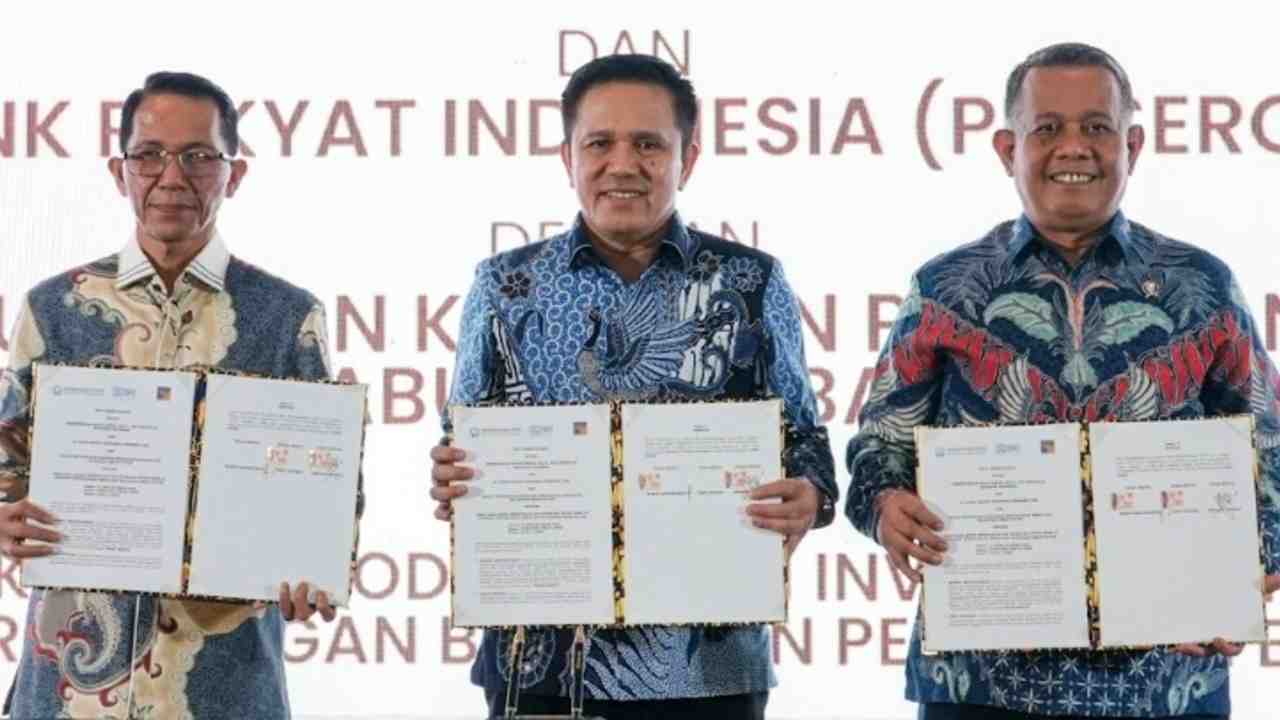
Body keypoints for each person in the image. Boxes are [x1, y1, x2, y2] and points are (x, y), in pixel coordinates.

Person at [845, 42, 1280, 719]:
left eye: (1096, 127)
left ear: (1132, 146)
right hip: (981, 683)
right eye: (1046, 127)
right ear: (1006, 149)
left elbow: (1269, 446)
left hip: (1168, 679)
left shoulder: (1203, 287)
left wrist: (1251, 566)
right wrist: (885, 506)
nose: (1072, 147)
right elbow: (879, 446)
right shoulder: (945, 289)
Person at [429, 53, 837, 719]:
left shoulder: (750, 281)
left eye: (649, 144)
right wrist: (457, 478)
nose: (623, 164)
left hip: (710, 666)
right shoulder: (504, 285)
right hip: (542, 664)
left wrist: (810, 493)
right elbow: (465, 437)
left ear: (687, 158)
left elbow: (805, 439)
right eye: (600, 144)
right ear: (567, 158)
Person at [0, 72, 346, 719]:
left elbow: (322, 489)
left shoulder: (286, 317)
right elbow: (8, 464)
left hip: (225, 686)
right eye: (150, 154)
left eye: (198, 156)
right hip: (71, 693)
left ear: (233, 175)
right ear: (119, 171)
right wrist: (5, 516)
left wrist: (313, 563)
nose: (172, 176)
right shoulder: (53, 308)